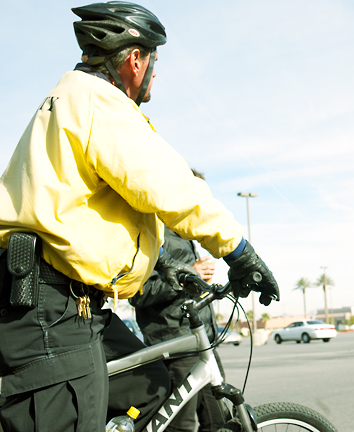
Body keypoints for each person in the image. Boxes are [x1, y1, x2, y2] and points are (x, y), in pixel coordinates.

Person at [0, 2, 279, 431]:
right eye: (153, 60)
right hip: (50, 312)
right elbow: (170, 186)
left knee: (149, 385)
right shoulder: (97, 102)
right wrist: (240, 251)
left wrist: (166, 265)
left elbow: (101, 217)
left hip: (71, 306)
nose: (154, 72)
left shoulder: (71, 100)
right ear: (135, 59)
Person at [129, 170, 228, 432]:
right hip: (176, 344)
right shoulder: (155, 233)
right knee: (180, 425)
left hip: (203, 341)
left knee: (220, 421)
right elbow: (139, 293)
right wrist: (188, 275)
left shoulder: (184, 235)